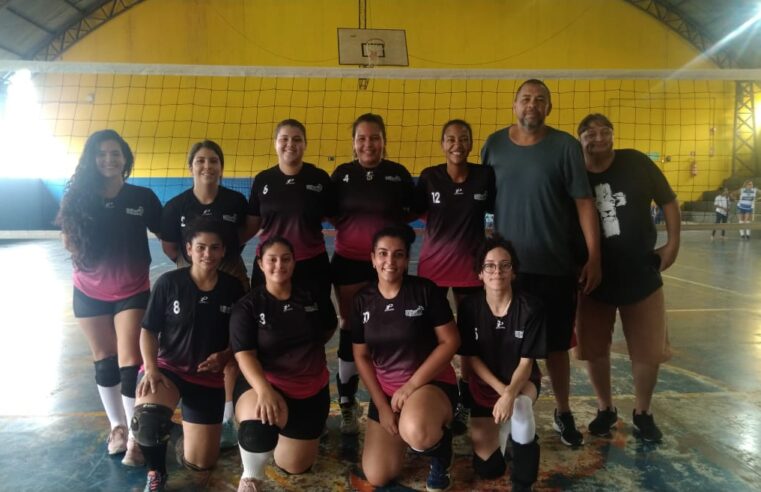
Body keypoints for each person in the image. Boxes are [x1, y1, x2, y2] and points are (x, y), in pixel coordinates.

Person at [480, 79, 601, 447]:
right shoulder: (494, 144)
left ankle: (563, 413)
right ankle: (499, 409)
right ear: (514, 104)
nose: (532, 105)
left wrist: (594, 256)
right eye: (525, 99)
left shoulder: (565, 146)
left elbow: (583, 203)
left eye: (540, 100)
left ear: (549, 108)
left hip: (554, 267)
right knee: (502, 346)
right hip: (507, 273)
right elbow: (482, 199)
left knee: (556, 347)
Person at [58, 129, 162, 466]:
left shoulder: (142, 197)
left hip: (131, 290)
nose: (108, 159)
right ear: (92, 159)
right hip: (88, 290)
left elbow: (169, 233)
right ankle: (117, 426)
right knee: (104, 359)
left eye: (115, 153)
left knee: (130, 360)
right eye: (101, 153)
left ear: (125, 158)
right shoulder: (77, 198)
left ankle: (135, 433)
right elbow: (68, 240)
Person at [576, 113, 680, 442]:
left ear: (613, 135)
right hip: (593, 278)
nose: (599, 137)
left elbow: (669, 201)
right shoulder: (574, 173)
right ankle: (605, 409)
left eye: (605, 131)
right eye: (590, 133)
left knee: (648, 351)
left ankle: (643, 413)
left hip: (641, 273)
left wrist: (673, 245)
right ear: (580, 139)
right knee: (593, 349)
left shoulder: (635, 162)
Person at [132, 217, 245, 492]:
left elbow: (241, 338)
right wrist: (151, 368)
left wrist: (226, 355)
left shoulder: (233, 288)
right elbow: (148, 331)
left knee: (201, 463)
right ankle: (156, 471)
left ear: (223, 251)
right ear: (189, 249)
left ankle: (180, 436)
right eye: (201, 247)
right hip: (168, 370)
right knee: (148, 420)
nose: (208, 254)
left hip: (208, 380)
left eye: (214, 247)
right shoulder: (169, 283)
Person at [161, 139, 256, 447]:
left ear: (221, 167)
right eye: (200, 160)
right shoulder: (176, 206)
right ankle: (179, 403)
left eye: (213, 160)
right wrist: (192, 266)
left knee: (232, 340)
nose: (207, 166)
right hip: (190, 274)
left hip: (229, 270)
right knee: (190, 337)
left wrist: (220, 258)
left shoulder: (235, 202)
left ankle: (226, 410)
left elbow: (243, 233)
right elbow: (170, 246)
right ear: (191, 167)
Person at [352, 224, 460, 491]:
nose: (390, 261)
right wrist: (382, 406)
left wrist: (411, 386)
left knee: (419, 433)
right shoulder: (362, 300)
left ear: (407, 259)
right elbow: (361, 356)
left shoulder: (425, 291)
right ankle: (408, 428)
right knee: (378, 475)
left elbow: (451, 341)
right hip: (388, 394)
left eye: (398, 254)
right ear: (373, 258)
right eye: (383, 254)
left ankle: (440, 454)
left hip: (428, 385)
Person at [229, 237, 337, 492]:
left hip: (310, 389)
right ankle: (250, 477)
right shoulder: (249, 306)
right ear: (260, 264)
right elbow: (244, 354)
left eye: (286, 259)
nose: (280, 265)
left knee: (295, 466)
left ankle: (293, 433)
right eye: (272, 259)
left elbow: (328, 327)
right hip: (267, 385)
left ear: (294, 262)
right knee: (258, 433)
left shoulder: (311, 296)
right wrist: (264, 390)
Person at [331, 113, 415, 434]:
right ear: (353, 143)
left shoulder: (398, 175)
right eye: (362, 138)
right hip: (350, 262)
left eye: (375, 137)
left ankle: (397, 394)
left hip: (388, 263)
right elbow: (331, 212)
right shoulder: (342, 175)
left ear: (384, 141)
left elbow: (413, 211)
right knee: (352, 329)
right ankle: (348, 401)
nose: (368, 144)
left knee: (392, 325)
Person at [414, 119, 496, 435]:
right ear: (442, 144)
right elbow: (411, 210)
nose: (457, 144)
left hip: (469, 270)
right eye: (450, 138)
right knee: (430, 335)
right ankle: (433, 388)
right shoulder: (429, 177)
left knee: (469, 336)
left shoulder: (485, 177)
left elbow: (498, 209)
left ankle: (466, 394)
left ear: (471, 143)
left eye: (463, 138)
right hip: (433, 269)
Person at [457, 234, 545, 492]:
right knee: (489, 468)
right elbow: (471, 358)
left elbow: (527, 363)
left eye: (505, 265)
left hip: (521, 380)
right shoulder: (469, 308)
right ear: (480, 273)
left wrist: (509, 394)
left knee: (519, 406)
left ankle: (523, 482)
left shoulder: (530, 307)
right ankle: (510, 428)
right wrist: (501, 392)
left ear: (513, 271)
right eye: (490, 266)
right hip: (485, 386)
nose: (498, 271)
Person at [247, 119, 335, 303]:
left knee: (316, 321)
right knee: (265, 320)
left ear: (305, 144)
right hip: (271, 263)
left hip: (311, 262)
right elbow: (252, 224)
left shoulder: (319, 178)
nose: (290, 144)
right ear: (275, 143)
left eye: (297, 139)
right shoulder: (263, 180)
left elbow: (334, 216)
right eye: (284, 139)